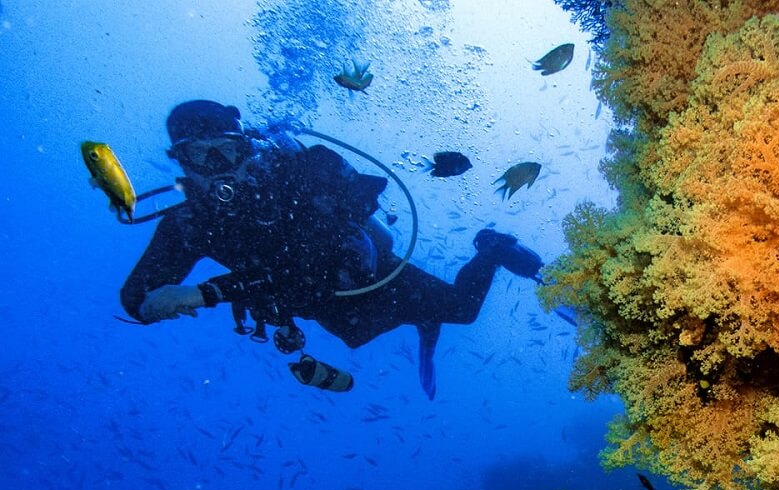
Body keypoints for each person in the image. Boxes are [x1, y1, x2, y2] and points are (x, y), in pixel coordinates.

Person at [119, 100, 544, 398]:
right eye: (199, 156)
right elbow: (135, 296)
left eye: (226, 151)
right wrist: (147, 308)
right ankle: (424, 317)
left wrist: (202, 293)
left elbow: (306, 265)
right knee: (360, 331)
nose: (217, 168)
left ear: (245, 147)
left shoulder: (296, 172)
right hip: (327, 307)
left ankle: (490, 248)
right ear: (180, 162)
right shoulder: (192, 223)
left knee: (463, 309)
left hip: (373, 275)